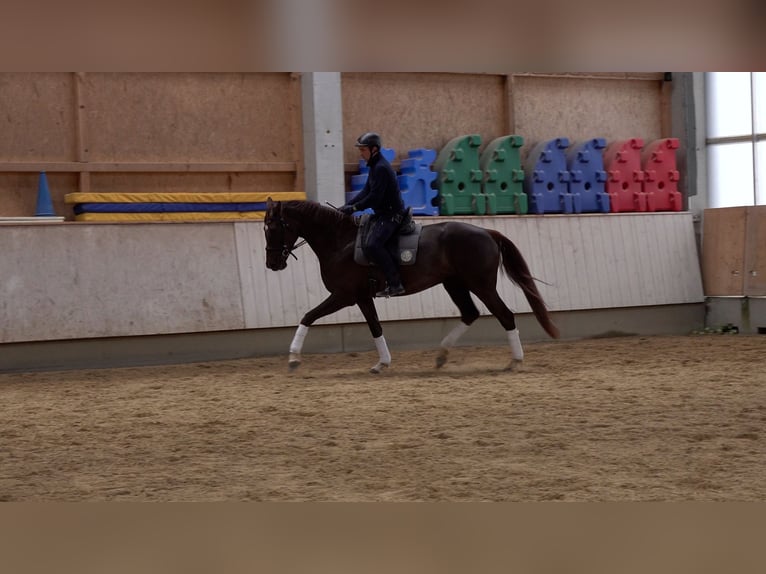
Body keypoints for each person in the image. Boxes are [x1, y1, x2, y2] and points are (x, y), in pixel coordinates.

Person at [340, 132, 406, 297]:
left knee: (373, 245)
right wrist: (347, 205)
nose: (361, 154)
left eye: (363, 150)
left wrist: (354, 209)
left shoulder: (381, 168)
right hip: (382, 214)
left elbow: (375, 198)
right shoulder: (374, 166)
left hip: (392, 215)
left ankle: (395, 283)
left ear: (374, 149)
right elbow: (366, 191)